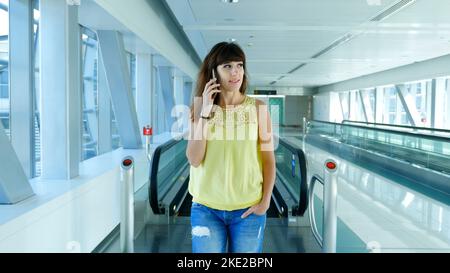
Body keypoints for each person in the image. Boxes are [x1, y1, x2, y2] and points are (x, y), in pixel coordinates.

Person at [186, 42, 276, 253]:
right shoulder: (199, 108)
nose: (235, 72)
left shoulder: (258, 109)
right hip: (206, 209)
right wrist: (206, 113)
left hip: (249, 210)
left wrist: (265, 202)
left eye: (239, 65)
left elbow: (269, 160)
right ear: (214, 72)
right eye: (227, 66)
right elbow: (194, 159)